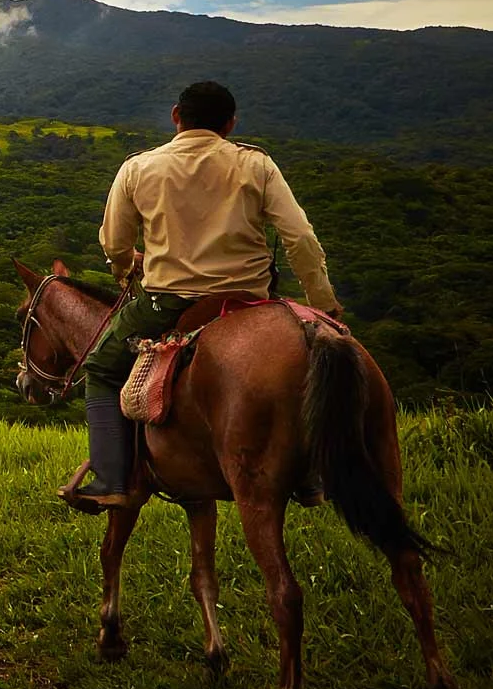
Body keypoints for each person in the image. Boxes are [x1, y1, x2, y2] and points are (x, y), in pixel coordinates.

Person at [61, 80, 342, 512]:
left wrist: (124, 268)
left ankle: (112, 479)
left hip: (167, 302)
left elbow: (115, 243)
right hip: (253, 300)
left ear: (176, 115)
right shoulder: (257, 164)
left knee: (100, 368)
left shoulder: (138, 168)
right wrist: (322, 302)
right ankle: (309, 475)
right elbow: (300, 238)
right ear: (230, 124)